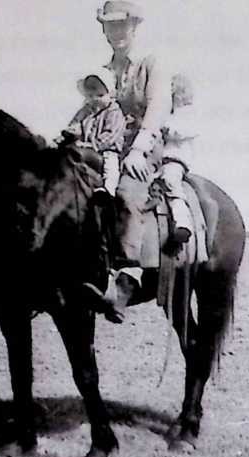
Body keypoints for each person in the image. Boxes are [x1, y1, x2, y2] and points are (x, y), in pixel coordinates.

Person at [86, 0, 173, 324]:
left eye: (122, 25)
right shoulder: (106, 71)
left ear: (135, 27)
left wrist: (137, 150)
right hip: (109, 142)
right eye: (110, 26)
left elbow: (157, 107)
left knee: (126, 190)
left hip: (143, 144)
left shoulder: (151, 63)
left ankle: (128, 275)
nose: (116, 32)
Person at [160, 71, 210, 262]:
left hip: (175, 160)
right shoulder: (168, 113)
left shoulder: (188, 113)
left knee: (171, 181)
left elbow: (185, 131)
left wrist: (166, 128)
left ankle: (182, 223)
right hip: (158, 160)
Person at [63, 68, 126, 196]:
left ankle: (108, 191)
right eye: (91, 96)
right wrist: (71, 133)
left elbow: (110, 135)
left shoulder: (113, 111)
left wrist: (92, 144)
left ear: (111, 94)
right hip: (86, 149)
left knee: (111, 164)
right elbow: (76, 124)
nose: (95, 99)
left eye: (100, 95)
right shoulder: (86, 111)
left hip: (106, 149)